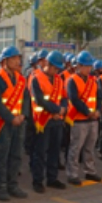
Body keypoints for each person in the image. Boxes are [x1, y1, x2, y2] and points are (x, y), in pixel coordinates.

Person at [0, 46, 30, 201]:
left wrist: (23, 115)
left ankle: (13, 185)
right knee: (2, 156)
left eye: (18, 58)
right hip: (3, 123)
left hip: (19, 122)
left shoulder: (21, 78)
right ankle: (1, 187)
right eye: (13, 58)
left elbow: (26, 98)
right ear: (4, 61)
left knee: (16, 155)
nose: (17, 61)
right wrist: (11, 118)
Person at [29, 50, 68, 192]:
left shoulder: (58, 79)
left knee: (54, 151)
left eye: (58, 69)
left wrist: (63, 109)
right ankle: (37, 181)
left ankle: (52, 178)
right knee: (40, 152)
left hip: (57, 121)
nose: (56, 71)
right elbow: (39, 100)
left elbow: (64, 97)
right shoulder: (36, 79)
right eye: (55, 68)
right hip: (42, 121)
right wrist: (57, 110)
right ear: (47, 64)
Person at [64, 51, 102, 185]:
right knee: (76, 148)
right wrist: (87, 112)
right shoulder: (72, 80)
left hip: (93, 119)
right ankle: (72, 174)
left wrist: (98, 110)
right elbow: (74, 99)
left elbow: (99, 97)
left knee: (90, 147)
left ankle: (90, 171)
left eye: (89, 66)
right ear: (79, 66)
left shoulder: (93, 80)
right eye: (86, 66)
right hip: (79, 119)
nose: (88, 69)